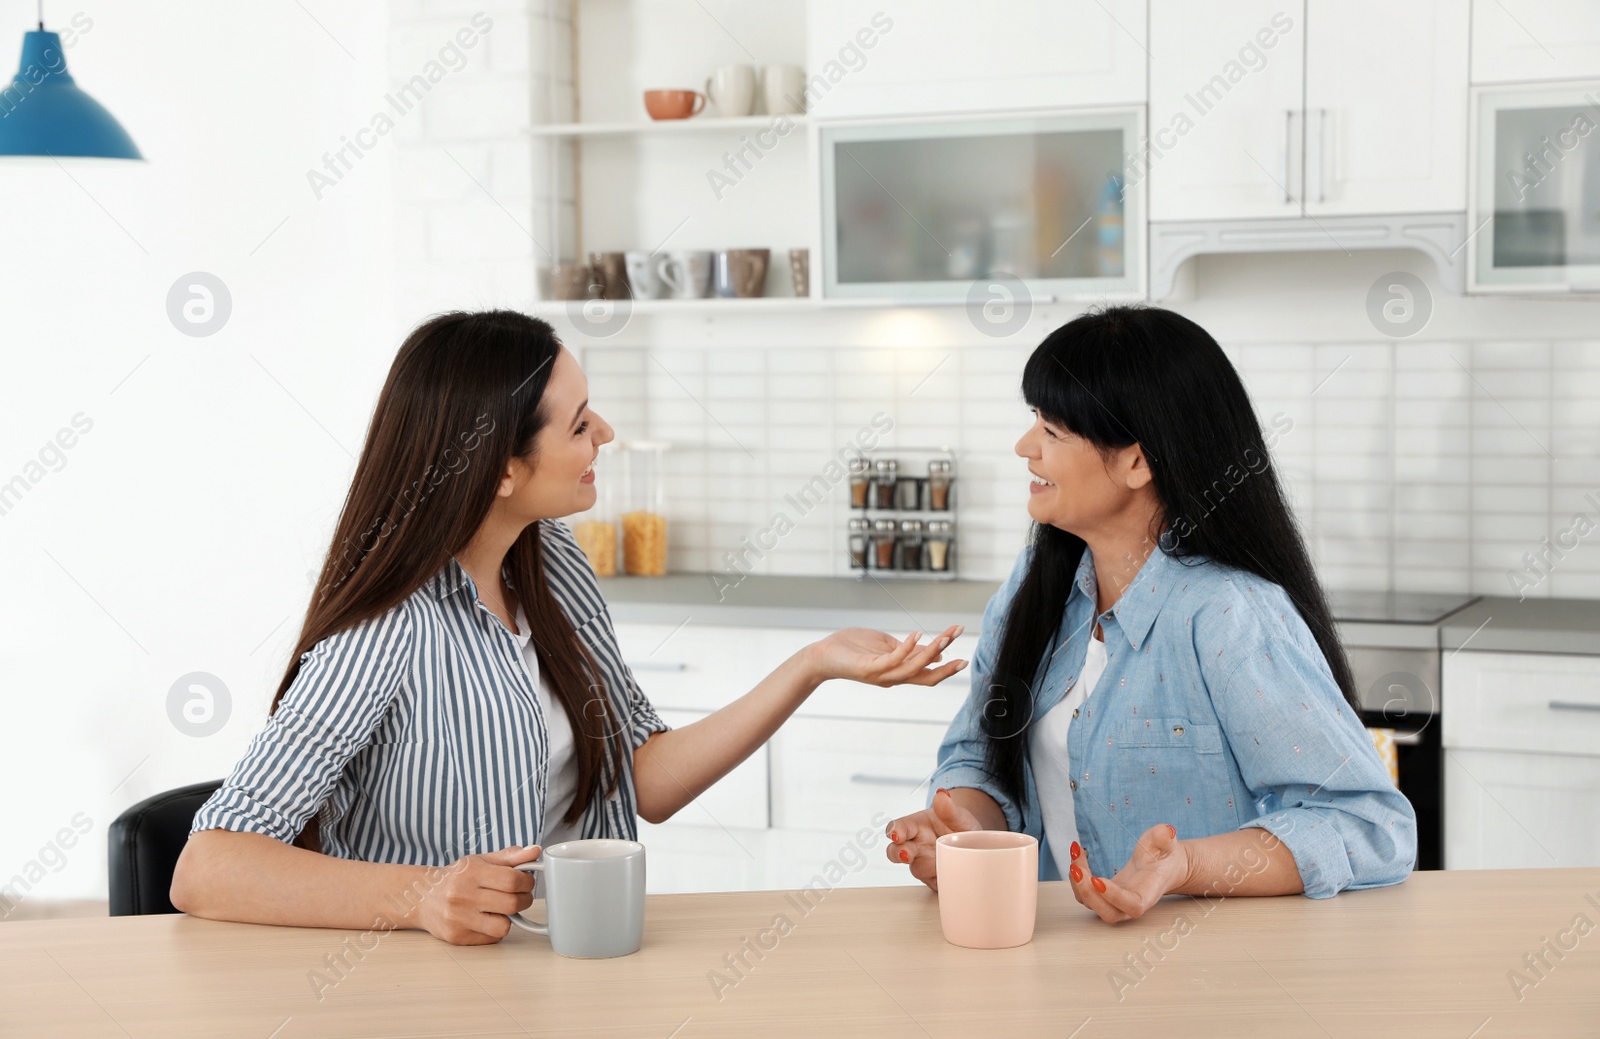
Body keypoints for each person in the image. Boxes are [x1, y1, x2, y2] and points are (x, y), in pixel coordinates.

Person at [171, 310, 967, 944]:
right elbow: (207, 866)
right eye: (580, 424)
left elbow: (644, 778)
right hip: (425, 993)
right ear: (502, 468)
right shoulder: (388, 628)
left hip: (563, 966)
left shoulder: (548, 563)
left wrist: (813, 663)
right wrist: (422, 896)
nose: (606, 436)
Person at [884, 305, 1415, 923]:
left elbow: (1369, 825)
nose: (1025, 447)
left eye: (1053, 431)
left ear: (1138, 461)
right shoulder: (1033, 595)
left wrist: (1186, 865)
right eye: (1034, 420)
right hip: (1066, 968)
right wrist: (963, 830)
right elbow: (978, 760)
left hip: (1217, 981)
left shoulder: (1228, 615)